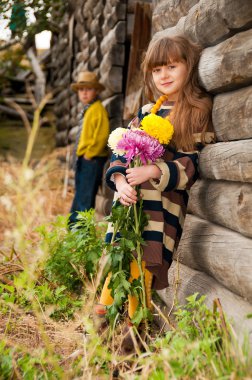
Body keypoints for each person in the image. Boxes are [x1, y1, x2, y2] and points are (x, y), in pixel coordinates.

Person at [95, 36, 215, 349]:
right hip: (130, 207)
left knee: (144, 269)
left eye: (171, 66)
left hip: (162, 211)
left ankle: (131, 344)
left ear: (188, 67)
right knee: (118, 264)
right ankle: (100, 333)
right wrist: (120, 182)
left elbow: (192, 162)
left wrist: (155, 171)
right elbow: (121, 153)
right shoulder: (146, 112)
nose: (163, 75)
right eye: (157, 69)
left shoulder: (195, 111)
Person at [68, 71, 109, 227]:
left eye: (89, 89)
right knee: (80, 194)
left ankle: (82, 233)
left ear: (96, 91)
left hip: (91, 160)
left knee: (85, 197)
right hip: (83, 159)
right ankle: (73, 229)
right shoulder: (88, 110)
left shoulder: (98, 109)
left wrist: (89, 154)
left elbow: (102, 135)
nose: (84, 92)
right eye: (81, 89)